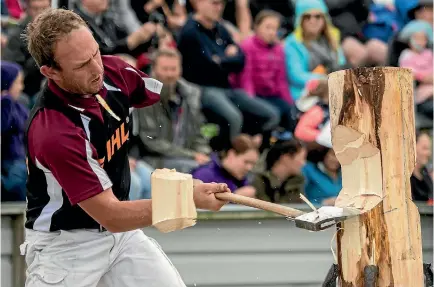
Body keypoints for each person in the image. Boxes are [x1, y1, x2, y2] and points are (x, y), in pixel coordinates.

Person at [22, 8, 230, 287]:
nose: (97, 69)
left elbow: (158, 93)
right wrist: (187, 197)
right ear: (50, 71)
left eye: (95, 52)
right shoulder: (55, 132)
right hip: (65, 247)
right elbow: (111, 215)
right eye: (81, 65)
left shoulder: (113, 71)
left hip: (120, 237)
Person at [177, 0, 279, 143]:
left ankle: (252, 153)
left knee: (271, 114)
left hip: (227, 88)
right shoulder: (190, 31)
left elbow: (241, 60)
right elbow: (208, 65)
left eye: (221, 4)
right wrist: (227, 57)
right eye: (214, 3)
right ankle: (229, 158)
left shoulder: (220, 28)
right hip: (201, 88)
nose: (219, 8)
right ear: (200, 3)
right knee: (234, 117)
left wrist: (220, 59)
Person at [135, 48, 211, 173]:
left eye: (173, 69)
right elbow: (150, 141)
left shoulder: (190, 95)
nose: (170, 74)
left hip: (186, 156)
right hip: (155, 159)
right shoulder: (145, 96)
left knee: (216, 168)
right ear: (154, 69)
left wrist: (203, 152)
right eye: (165, 69)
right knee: (201, 172)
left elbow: (198, 131)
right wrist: (191, 155)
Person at [231, 10, 295, 132]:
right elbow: (245, 77)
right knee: (269, 114)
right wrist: (251, 101)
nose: (272, 32)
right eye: (268, 27)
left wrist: (290, 102)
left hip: (270, 94)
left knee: (290, 112)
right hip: (251, 94)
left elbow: (281, 80)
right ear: (256, 27)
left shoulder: (278, 50)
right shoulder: (247, 46)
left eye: (275, 29)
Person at [284, 0, 346, 101]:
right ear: (300, 20)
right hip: (304, 94)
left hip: (333, 90)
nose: (313, 21)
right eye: (307, 17)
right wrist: (324, 80)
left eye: (318, 16)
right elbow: (296, 75)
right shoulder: (292, 43)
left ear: (324, 19)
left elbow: (341, 64)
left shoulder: (332, 39)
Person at [2, 0, 51, 98]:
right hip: (28, 90)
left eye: (44, 9)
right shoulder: (17, 36)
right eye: (36, 9)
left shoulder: (56, 31)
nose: (41, 14)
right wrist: (40, 52)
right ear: (28, 10)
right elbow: (12, 75)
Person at [192, 134, 259, 197]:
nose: (249, 168)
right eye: (246, 162)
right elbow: (195, 204)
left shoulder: (241, 180)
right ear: (231, 154)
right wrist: (234, 198)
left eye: (253, 164)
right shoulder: (204, 175)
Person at [1, 61, 28, 202]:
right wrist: (5, 102)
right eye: (18, 82)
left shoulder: (19, 106)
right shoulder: (5, 104)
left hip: (20, 160)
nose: (21, 87)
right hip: (8, 164)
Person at [252, 139, 307, 203]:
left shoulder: (297, 182)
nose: (303, 163)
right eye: (302, 158)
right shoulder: (260, 181)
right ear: (286, 158)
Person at [398, 20, 433, 119]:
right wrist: (424, 77)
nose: (420, 42)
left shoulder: (428, 53)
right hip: (418, 93)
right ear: (410, 40)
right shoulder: (407, 55)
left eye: (423, 39)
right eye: (417, 38)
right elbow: (409, 72)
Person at [411, 130, 433, 202]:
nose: (428, 153)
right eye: (425, 148)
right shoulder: (405, 176)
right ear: (412, 147)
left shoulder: (425, 173)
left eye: (429, 149)